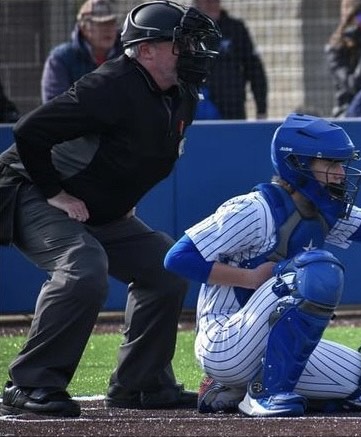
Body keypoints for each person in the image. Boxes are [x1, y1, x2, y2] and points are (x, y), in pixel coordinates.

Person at [163, 112, 361, 417]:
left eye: (341, 164)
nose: (340, 173)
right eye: (330, 164)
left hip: (267, 344)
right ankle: (263, 394)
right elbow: (177, 257)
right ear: (298, 164)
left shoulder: (321, 209)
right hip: (225, 341)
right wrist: (250, 278)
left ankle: (236, 389)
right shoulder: (254, 210)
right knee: (317, 272)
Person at [0, 0, 221, 417]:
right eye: (181, 44)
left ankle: (141, 385)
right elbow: (29, 131)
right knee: (84, 267)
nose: (191, 51)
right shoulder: (110, 85)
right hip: (29, 189)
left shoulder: (181, 94)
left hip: (97, 206)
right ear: (147, 50)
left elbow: (143, 157)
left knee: (167, 266)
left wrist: (119, 204)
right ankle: (30, 382)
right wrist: (54, 193)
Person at [192, 0, 268, 120]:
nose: (211, 4)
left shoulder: (235, 28)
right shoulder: (188, 31)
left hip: (231, 109)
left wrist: (261, 109)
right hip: (197, 108)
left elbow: (255, 70)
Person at [41, 0, 124, 103]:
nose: (108, 29)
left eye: (112, 23)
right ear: (84, 28)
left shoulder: (128, 56)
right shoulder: (60, 59)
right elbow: (54, 105)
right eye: (100, 24)